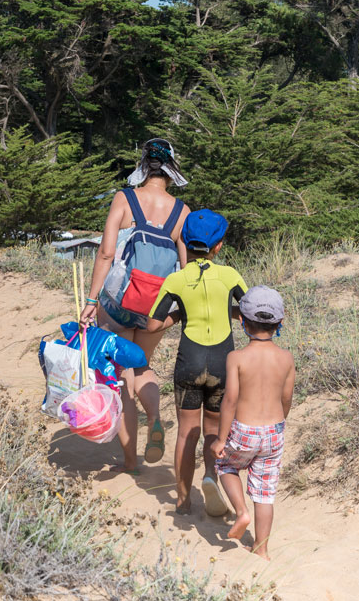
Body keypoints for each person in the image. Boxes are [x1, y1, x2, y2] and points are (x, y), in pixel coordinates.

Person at [80, 138, 191, 473]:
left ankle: (130, 461)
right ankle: (154, 418)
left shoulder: (124, 198)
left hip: (118, 301)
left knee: (120, 377)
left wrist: (91, 299)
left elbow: (106, 253)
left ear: (144, 165)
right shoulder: (182, 211)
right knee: (142, 366)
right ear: (171, 170)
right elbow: (186, 269)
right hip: (155, 305)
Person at [145, 209, 247, 515]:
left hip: (189, 363)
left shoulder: (175, 280)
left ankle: (182, 500)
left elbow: (153, 324)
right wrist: (227, 312)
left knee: (186, 432)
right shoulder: (229, 276)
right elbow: (250, 313)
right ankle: (210, 476)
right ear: (219, 246)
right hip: (222, 365)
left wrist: (180, 314)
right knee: (214, 431)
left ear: (184, 242)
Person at [210, 286, 294, 560]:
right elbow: (286, 398)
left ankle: (241, 512)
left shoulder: (236, 358)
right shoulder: (286, 358)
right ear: (280, 323)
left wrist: (221, 439)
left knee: (225, 465)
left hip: (244, 429)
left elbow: (230, 400)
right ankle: (262, 548)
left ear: (242, 321)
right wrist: (279, 421)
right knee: (265, 492)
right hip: (274, 431)